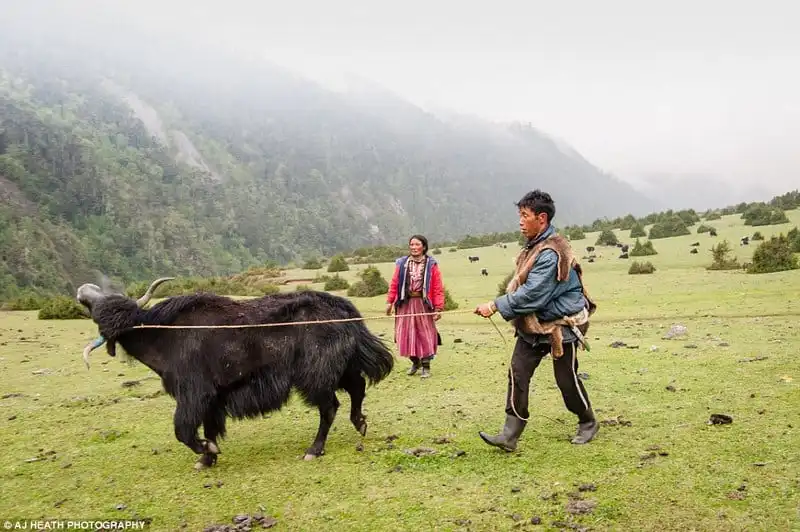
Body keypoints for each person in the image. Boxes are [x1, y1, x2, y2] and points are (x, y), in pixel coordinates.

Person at [474, 189, 598, 449]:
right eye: (519, 215)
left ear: (541, 218)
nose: (520, 221)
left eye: (524, 215)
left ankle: (587, 421)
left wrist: (495, 305)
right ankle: (509, 435)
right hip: (533, 324)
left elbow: (533, 295)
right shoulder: (534, 247)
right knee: (518, 373)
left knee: (566, 380)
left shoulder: (552, 253)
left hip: (561, 325)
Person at [386, 235, 445, 378]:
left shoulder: (431, 265)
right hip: (405, 304)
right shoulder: (402, 264)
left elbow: (437, 288)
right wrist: (389, 302)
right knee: (404, 334)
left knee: (424, 333)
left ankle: (426, 366)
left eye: (417, 244)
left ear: (424, 247)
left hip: (423, 304)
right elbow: (394, 283)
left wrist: (438, 308)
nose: (414, 247)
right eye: (411, 244)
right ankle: (415, 361)